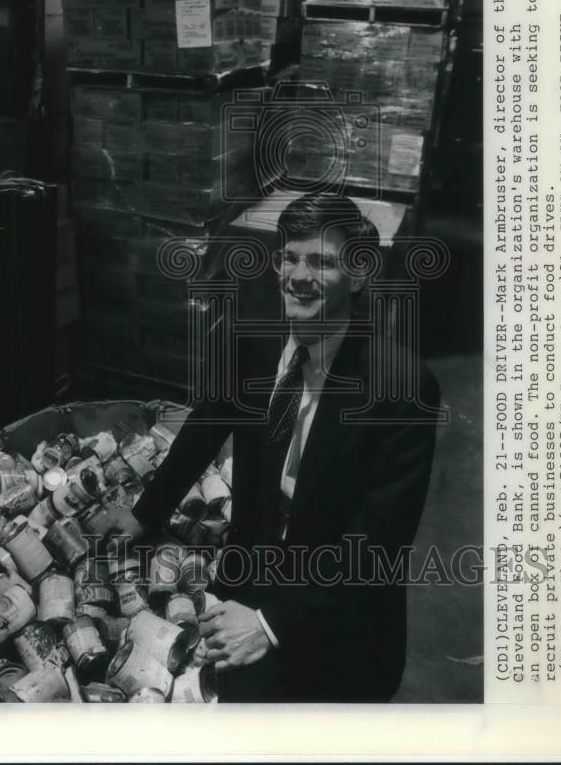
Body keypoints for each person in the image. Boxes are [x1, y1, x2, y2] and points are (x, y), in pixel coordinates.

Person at [100, 192, 441, 702]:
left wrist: (269, 623)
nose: (298, 276)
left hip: (337, 617)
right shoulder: (255, 340)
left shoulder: (400, 385)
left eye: (321, 261)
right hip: (251, 576)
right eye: (289, 256)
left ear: (360, 274)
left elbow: (378, 539)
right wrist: (146, 512)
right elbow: (207, 424)